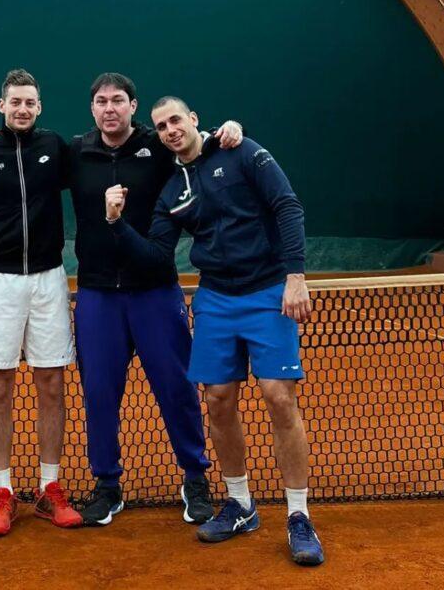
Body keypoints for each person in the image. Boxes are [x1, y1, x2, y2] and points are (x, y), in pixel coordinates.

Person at [104, 96, 324, 566]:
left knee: (278, 396)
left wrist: (296, 275)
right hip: (216, 299)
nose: (169, 130)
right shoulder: (171, 191)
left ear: (194, 120)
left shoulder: (241, 151)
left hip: (268, 292)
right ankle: (241, 504)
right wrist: (117, 224)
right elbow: (158, 256)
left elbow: (287, 206)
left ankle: (299, 515)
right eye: (161, 126)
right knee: (219, 399)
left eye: (176, 120)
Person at [68, 73, 242, 527]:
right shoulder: (75, 153)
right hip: (97, 295)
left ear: (132, 106)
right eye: (101, 101)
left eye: (118, 101)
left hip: (155, 293)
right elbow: (28, 159)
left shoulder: (158, 147)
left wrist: (230, 131)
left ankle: (195, 478)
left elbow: (197, 150)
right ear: (92, 109)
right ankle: (107, 485)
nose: (110, 108)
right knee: (100, 394)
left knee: (176, 388)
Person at [0, 69, 82, 536]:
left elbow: (99, 163)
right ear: (1, 105)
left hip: (50, 278)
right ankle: (2, 492)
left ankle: (49, 490)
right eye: (15, 102)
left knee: (52, 383)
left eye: (30, 102)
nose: (22, 109)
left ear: (39, 107)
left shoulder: (55, 147)